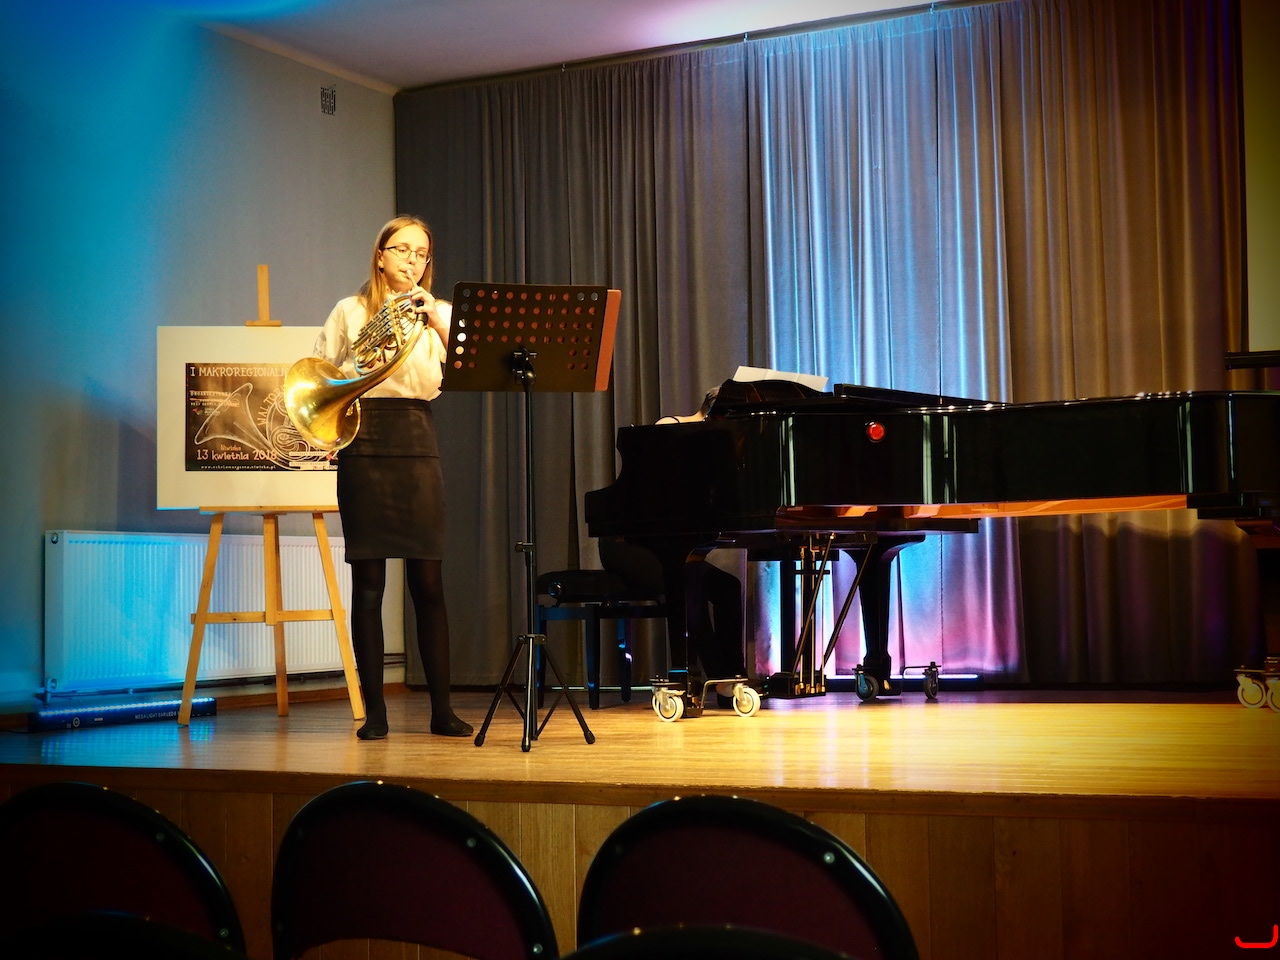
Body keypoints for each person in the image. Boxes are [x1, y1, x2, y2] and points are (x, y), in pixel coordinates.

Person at [313, 215, 472, 740]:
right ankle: (376, 713)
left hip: (417, 437)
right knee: (369, 585)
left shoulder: (439, 311)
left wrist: (436, 320)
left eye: (421, 253)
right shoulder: (350, 310)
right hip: (364, 439)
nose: (412, 260)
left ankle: (442, 711)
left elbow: (467, 367)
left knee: (428, 582)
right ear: (380, 255)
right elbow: (323, 374)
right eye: (402, 249)